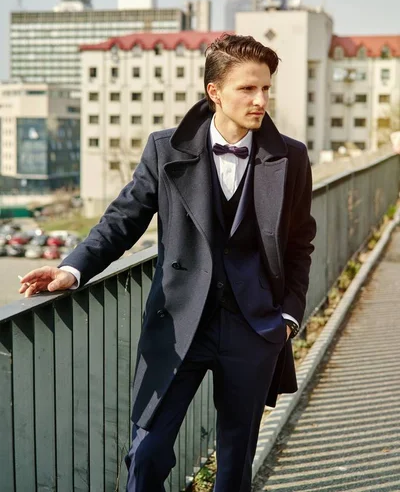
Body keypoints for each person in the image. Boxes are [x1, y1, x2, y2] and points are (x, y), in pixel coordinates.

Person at [19, 34, 316, 492]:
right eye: (248, 89)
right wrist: (72, 268)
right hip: (179, 325)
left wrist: (289, 318)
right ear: (215, 92)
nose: (261, 101)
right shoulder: (166, 149)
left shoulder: (290, 157)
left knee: (235, 464)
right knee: (148, 450)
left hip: (254, 327)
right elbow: (124, 218)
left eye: (266, 89)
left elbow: (299, 244)